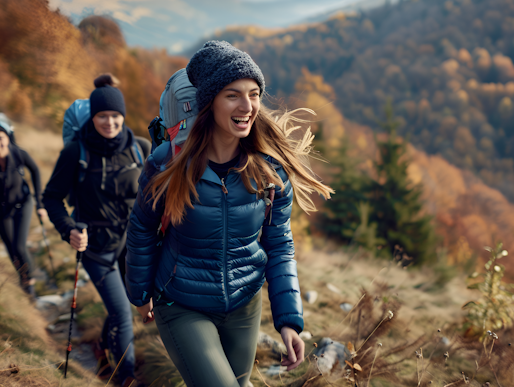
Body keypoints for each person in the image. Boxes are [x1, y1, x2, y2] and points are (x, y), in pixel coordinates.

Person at [125, 41, 334, 387]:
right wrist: (140, 293)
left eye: (254, 94)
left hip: (243, 305)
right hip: (181, 302)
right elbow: (142, 228)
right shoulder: (168, 162)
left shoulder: (269, 170)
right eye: (233, 95)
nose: (248, 106)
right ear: (209, 103)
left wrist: (288, 320)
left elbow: (279, 243)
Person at [43, 74, 150, 387]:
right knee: (122, 313)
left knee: (126, 306)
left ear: (123, 116)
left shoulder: (139, 149)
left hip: (132, 243)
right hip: (96, 247)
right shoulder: (75, 152)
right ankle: (125, 376)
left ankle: (105, 351)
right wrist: (69, 230)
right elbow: (50, 198)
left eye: (115, 116)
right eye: (102, 116)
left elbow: (153, 195)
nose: (110, 122)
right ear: (93, 116)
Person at [0, 113, 48, 297]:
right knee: (11, 249)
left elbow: (35, 171)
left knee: (20, 246)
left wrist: (40, 202)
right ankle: (23, 279)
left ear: (8, 137)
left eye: (0, 138)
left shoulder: (18, 153)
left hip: (23, 203)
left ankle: (30, 281)